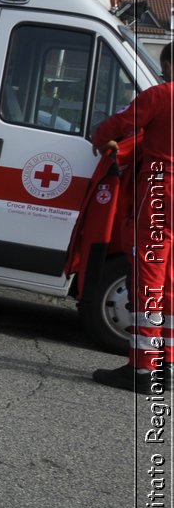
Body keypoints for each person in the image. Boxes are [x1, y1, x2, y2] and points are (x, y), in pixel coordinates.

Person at [90, 41, 174, 393]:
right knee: (170, 282)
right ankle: (167, 365)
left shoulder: (161, 95)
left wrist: (101, 138)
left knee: (147, 279)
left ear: (169, 64)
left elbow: (120, 125)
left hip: (160, 187)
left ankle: (140, 370)